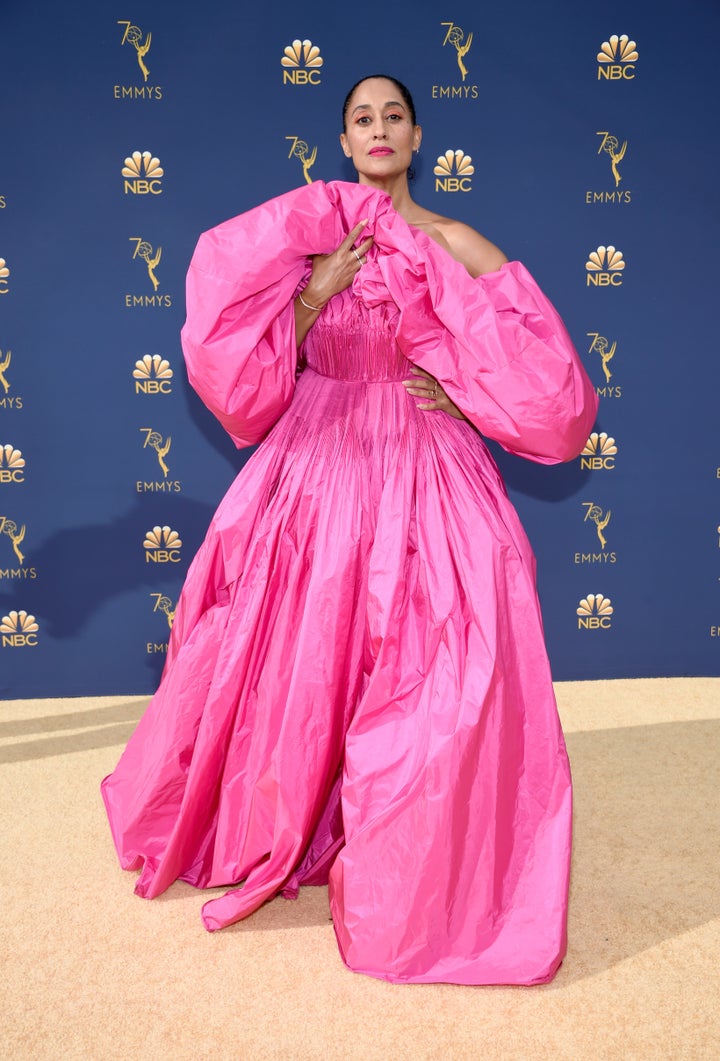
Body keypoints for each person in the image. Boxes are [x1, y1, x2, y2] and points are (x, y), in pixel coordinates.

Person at [102, 75, 598, 986]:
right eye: (362, 118)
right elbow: (245, 372)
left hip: (426, 471)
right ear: (343, 140)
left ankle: (415, 854)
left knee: (443, 669)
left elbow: (553, 384)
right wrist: (308, 293)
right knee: (300, 658)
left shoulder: (456, 241)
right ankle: (290, 825)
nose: (379, 129)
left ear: (417, 137)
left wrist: (465, 390)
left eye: (394, 117)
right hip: (315, 469)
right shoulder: (303, 244)